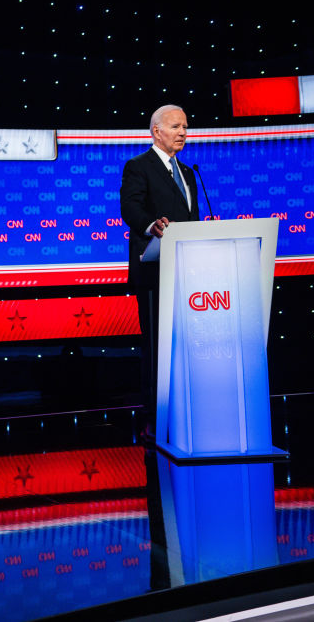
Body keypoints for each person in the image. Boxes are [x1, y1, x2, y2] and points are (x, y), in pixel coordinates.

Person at [119, 104, 199, 439]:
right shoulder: (138, 167)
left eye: (186, 126)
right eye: (176, 126)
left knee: (186, 346)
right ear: (157, 131)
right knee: (156, 347)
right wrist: (151, 225)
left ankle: (188, 411)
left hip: (189, 273)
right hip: (154, 272)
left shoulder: (189, 172)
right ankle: (155, 419)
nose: (183, 132)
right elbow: (130, 208)